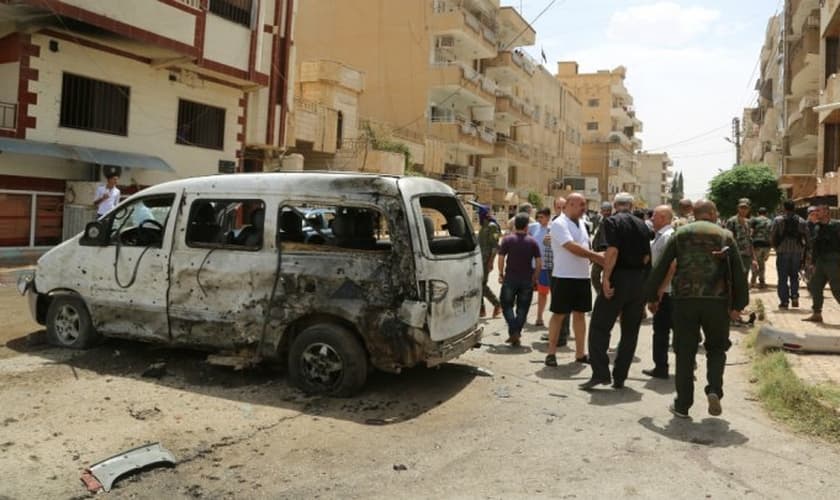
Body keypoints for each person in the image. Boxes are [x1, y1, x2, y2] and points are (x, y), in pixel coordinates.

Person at [644, 200, 749, 418]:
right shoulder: (725, 235)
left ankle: (683, 404)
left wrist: (652, 296)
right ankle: (714, 389)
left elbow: (662, 266)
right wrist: (739, 305)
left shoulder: (680, 234)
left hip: (684, 301)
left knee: (685, 351)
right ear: (712, 213)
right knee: (717, 348)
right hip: (717, 302)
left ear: (695, 213)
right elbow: (738, 272)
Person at [581, 193, 653, 390]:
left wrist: (606, 278)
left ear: (614, 205)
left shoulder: (612, 222)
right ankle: (620, 377)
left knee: (599, 327)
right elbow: (647, 257)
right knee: (630, 331)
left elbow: (612, 252)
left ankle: (600, 373)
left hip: (618, 278)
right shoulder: (643, 225)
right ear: (631, 205)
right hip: (638, 281)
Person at [545, 193, 603, 366]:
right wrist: (596, 257)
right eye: (581, 205)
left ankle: (580, 353)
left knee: (580, 315)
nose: (584, 208)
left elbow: (585, 245)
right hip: (564, 276)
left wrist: (593, 256)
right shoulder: (559, 223)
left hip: (582, 276)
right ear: (570, 204)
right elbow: (571, 246)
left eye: (584, 205)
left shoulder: (583, 223)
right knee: (559, 315)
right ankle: (551, 353)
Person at [497, 214, 542, 346]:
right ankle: (516, 332)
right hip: (527, 280)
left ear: (515, 225)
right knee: (523, 308)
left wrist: (501, 273)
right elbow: (539, 262)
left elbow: (501, 258)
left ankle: (513, 330)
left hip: (510, 278)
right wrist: (535, 277)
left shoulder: (507, 240)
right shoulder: (532, 242)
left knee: (506, 305)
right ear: (527, 226)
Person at [643, 205, 676, 379]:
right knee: (668, 330)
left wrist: (661, 289)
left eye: (654, 216)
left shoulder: (667, 237)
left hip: (667, 292)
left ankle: (661, 367)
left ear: (663, 218)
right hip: (665, 290)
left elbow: (672, 265)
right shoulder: (660, 236)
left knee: (662, 331)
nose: (651, 219)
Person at [802, 204, 840, 323]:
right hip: (820, 261)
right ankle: (817, 313)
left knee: (837, 289)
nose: (816, 213)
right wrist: (813, 263)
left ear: (826, 212)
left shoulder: (837, 225)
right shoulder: (817, 227)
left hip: (834, 260)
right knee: (814, 286)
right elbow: (815, 246)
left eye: (819, 211)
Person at [769, 200, 808, 309]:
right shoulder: (802, 221)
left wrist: (776, 247)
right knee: (794, 275)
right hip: (797, 252)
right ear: (794, 208)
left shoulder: (778, 220)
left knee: (782, 277)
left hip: (782, 251)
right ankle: (795, 296)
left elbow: (772, 235)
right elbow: (807, 237)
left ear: (784, 208)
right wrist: (805, 251)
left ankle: (784, 301)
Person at [476, 203, 502, 318]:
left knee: (481, 285)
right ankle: (481, 309)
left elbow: (495, 246)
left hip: (486, 260)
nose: (479, 216)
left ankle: (497, 304)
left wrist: (491, 262)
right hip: (479, 260)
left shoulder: (492, 226)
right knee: (478, 284)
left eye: (480, 214)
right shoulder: (483, 226)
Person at [725, 198, 757, 291]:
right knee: (735, 280)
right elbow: (727, 239)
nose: (743, 210)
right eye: (741, 207)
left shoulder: (748, 222)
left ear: (749, 209)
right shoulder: (731, 221)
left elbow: (749, 240)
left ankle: (741, 297)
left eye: (745, 208)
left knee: (744, 279)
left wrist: (754, 258)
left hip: (746, 256)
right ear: (738, 208)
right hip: (736, 255)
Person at [530, 208, 553, 327]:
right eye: (538, 217)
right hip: (532, 266)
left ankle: (540, 317)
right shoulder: (533, 227)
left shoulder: (553, 229)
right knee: (528, 291)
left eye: (542, 217)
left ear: (548, 217)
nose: (539, 219)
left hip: (545, 267)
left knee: (543, 293)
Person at [589, 201, 613, 295]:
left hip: (608, 252)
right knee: (594, 276)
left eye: (608, 210)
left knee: (608, 277)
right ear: (601, 211)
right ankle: (600, 294)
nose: (606, 212)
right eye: (604, 210)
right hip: (598, 253)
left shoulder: (612, 222)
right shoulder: (599, 221)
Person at [749, 207, 772, 289]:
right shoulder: (770, 221)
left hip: (757, 244)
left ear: (758, 213)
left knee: (755, 263)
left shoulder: (754, 220)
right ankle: (762, 281)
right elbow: (772, 233)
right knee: (762, 263)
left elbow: (751, 232)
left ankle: (753, 281)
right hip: (767, 245)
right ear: (766, 213)